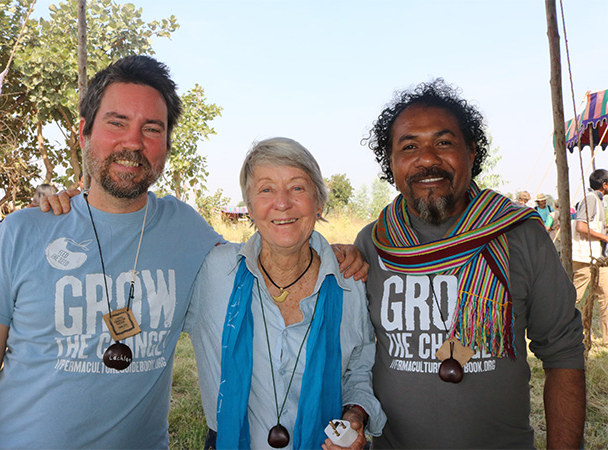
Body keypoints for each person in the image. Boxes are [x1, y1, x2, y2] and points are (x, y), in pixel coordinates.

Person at [0, 56, 366, 449]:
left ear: (165, 144)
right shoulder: (25, 230)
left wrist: (334, 253)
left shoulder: (187, 231)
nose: (134, 141)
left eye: (152, 128)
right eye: (117, 122)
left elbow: (271, 251)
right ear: (84, 132)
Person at [354, 79, 585, 449]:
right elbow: (352, 355)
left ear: (472, 152)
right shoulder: (372, 243)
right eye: (409, 146)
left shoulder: (521, 235)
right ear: (392, 163)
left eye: (443, 143)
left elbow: (564, 354)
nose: (427, 158)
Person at [185, 138, 385, 449]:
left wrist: (355, 413)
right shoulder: (213, 271)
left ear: (318, 202)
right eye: (266, 189)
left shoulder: (349, 281)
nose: (282, 203)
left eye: (297, 188)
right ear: (249, 206)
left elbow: (359, 367)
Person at [572, 169, 608, 346]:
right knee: (574, 298)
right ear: (604, 185)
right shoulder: (591, 199)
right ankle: (557, 331)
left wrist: (603, 231)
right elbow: (580, 226)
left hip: (596, 257)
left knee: (605, 295)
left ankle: (607, 339)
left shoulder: (598, 201)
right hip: (585, 257)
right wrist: (604, 237)